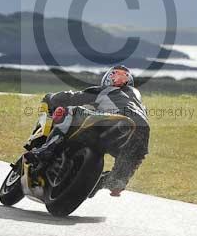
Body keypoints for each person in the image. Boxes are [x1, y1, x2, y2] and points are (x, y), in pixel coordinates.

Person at [28, 65, 150, 197]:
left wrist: (50, 98)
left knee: (70, 111)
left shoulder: (106, 90)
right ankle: (109, 183)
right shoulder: (139, 103)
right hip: (142, 131)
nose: (119, 80)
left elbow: (72, 97)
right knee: (120, 174)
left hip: (115, 121)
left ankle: (47, 150)